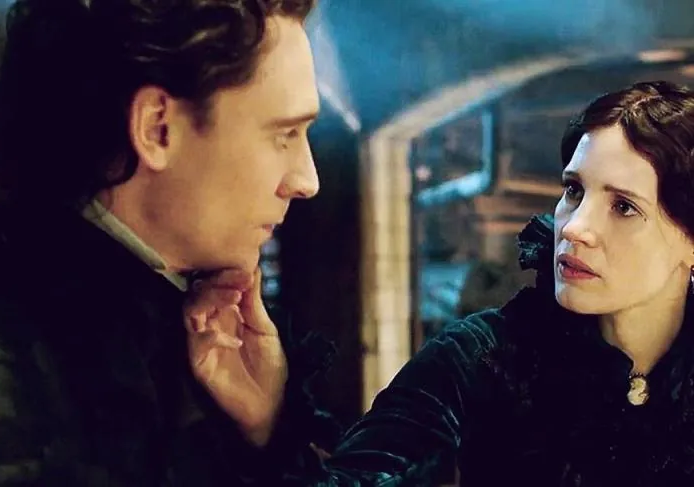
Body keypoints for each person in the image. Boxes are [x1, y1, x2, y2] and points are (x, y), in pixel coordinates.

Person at [201, 80, 694, 486]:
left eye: (623, 206)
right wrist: (269, 425)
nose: (575, 226)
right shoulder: (485, 356)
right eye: (574, 190)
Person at [0, 0, 340, 485]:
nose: (307, 180)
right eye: (284, 135)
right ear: (157, 128)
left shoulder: (199, 328)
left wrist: (266, 434)